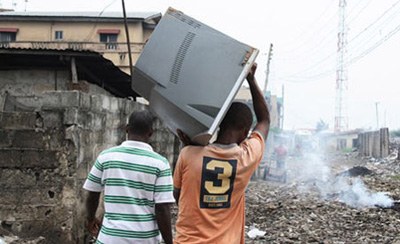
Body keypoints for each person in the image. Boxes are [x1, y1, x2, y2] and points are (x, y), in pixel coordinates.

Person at [173, 63, 270, 244]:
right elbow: (264, 120)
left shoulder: (188, 154)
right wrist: (251, 79)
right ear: (245, 131)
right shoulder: (246, 158)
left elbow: (178, 197)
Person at [83, 110, 174, 244]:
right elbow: (162, 208)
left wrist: (91, 218)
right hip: (144, 239)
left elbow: (92, 194)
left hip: (110, 238)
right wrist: (169, 241)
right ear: (151, 132)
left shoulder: (106, 157)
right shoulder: (160, 164)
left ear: (127, 129)